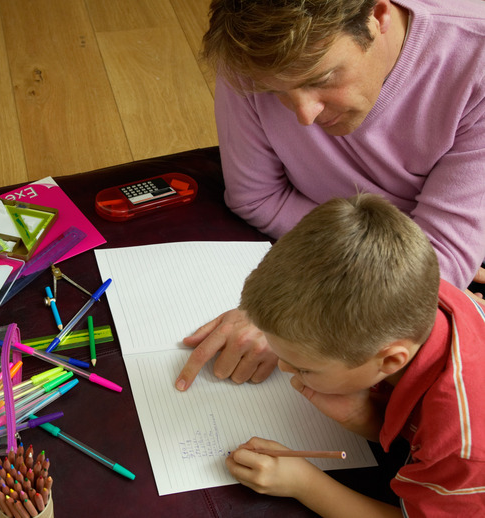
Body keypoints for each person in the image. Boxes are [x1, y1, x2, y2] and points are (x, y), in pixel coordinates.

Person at [175, 0, 485, 391]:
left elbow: (442, 258)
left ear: (378, 17)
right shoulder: (248, 58)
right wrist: (378, 252)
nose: (304, 115)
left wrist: (301, 314)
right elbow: (255, 198)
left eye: (321, 78)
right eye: (276, 92)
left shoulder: (476, 60)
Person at [226, 193, 485, 516]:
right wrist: (371, 421)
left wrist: (303, 484)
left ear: (391, 361)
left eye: (305, 368)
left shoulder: (461, 446)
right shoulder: (426, 293)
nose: (283, 367)